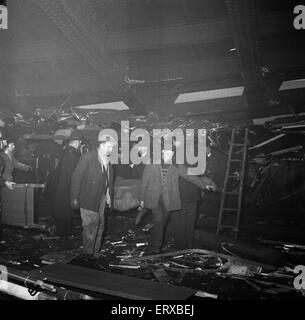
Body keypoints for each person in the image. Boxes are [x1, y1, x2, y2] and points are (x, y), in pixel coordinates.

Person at [139, 148, 217, 255]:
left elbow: (190, 176)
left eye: (171, 152)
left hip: (168, 199)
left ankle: (155, 243)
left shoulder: (176, 166)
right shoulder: (152, 163)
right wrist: (142, 198)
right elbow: (144, 181)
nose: (169, 154)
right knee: (159, 218)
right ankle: (154, 248)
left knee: (163, 221)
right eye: (166, 152)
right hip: (154, 198)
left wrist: (204, 185)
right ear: (162, 152)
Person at [70, 131, 116, 259]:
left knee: (101, 225)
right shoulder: (88, 158)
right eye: (109, 146)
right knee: (91, 226)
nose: (111, 149)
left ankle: (95, 252)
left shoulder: (107, 161)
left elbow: (108, 181)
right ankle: (88, 253)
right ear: (100, 145)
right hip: (88, 198)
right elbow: (76, 178)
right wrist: (74, 198)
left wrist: (108, 195)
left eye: (112, 147)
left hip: (100, 198)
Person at [53, 130, 83, 237]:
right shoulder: (71, 154)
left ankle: (64, 233)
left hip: (63, 185)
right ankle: (64, 234)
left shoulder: (67, 151)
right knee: (65, 211)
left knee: (64, 211)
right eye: (80, 143)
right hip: (66, 187)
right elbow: (71, 173)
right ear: (77, 142)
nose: (80, 145)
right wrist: (75, 188)